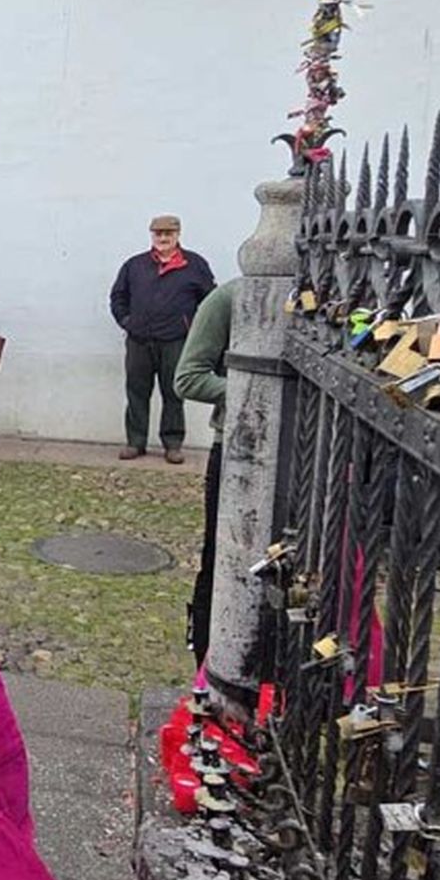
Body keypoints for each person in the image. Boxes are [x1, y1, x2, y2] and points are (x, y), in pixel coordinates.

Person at [110, 215, 215, 464]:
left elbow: (209, 302)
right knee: (136, 392)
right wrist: (127, 322)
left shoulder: (195, 265)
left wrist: (194, 330)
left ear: (178, 235)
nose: (163, 238)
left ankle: (173, 444)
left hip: (175, 341)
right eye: (158, 233)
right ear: (152, 235)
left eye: (169, 233)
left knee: (174, 392)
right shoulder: (134, 265)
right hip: (139, 341)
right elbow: (118, 297)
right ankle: (135, 442)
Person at [175, 278, 236, 666]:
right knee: (221, 559)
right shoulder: (229, 299)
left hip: (318, 454)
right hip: (237, 448)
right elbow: (189, 377)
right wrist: (253, 386)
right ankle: (210, 665)